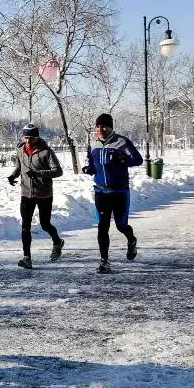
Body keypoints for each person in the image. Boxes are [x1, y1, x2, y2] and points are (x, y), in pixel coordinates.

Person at [81, 112, 143, 274]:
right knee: (102, 227)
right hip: (101, 192)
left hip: (120, 191)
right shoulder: (93, 144)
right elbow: (93, 165)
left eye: (104, 126)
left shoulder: (122, 141)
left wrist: (123, 160)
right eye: (98, 126)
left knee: (121, 226)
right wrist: (89, 169)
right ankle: (104, 261)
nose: (100, 129)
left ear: (110, 127)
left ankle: (131, 240)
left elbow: (138, 159)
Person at [7, 123, 65, 269]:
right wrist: (13, 175)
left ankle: (57, 241)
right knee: (25, 226)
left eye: (31, 138)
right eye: (26, 137)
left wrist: (38, 173)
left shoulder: (46, 152)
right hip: (26, 194)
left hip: (44, 194)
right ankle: (27, 258)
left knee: (45, 224)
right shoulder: (20, 149)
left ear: (37, 138)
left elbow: (58, 171)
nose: (28, 141)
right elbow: (20, 166)